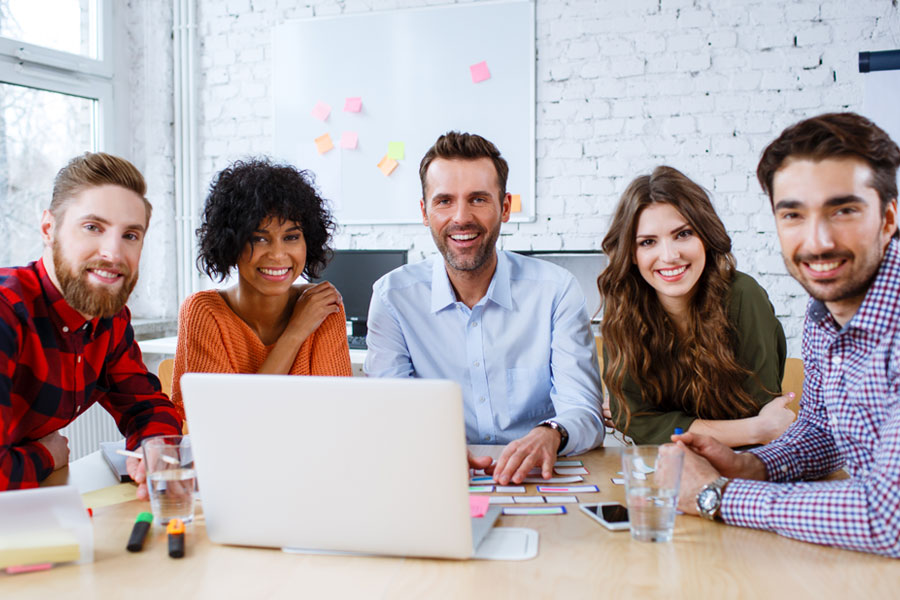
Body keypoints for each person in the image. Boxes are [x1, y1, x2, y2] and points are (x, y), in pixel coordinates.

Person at [674, 112, 900, 557]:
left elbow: (888, 517)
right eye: (793, 214)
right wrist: (749, 465)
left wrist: (718, 496)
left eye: (844, 210)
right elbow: (823, 430)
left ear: (889, 218)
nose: (817, 242)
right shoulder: (824, 315)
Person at [364, 131, 604, 484]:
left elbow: (584, 411)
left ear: (505, 207)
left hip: (540, 476)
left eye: (478, 199)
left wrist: (552, 432)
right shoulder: (393, 298)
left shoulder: (556, 291)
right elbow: (390, 411)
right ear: (424, 211)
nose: (461, 217)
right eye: (444, 201)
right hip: (438, 476)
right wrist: (431, 445)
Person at [0, 152, 182, 494]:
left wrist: (155, 451)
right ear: (48, 229)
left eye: (130, 235)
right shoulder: (6, 313)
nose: (113, 253)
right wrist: (46, 454)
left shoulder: (108, 319)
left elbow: (145, 405)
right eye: (92, 227)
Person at [598, 166, 793, 447]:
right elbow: (633, 420)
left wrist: (662, 425)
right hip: (661, 467)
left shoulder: (743, 296)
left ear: (705, 235)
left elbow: (762, 410)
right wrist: (754, 429)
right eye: (648, 242)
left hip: (742, 466)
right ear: (632, 253)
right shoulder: (624, 305)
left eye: (683, 234)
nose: (669, 256)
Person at [170, 159, 351, 422]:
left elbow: (334, 417)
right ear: (231, 244)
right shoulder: (204, 312)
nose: (278, 254)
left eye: (291, 237)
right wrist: (295, 333)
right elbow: (225, 425)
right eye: (259, 238)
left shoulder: (322, 307)